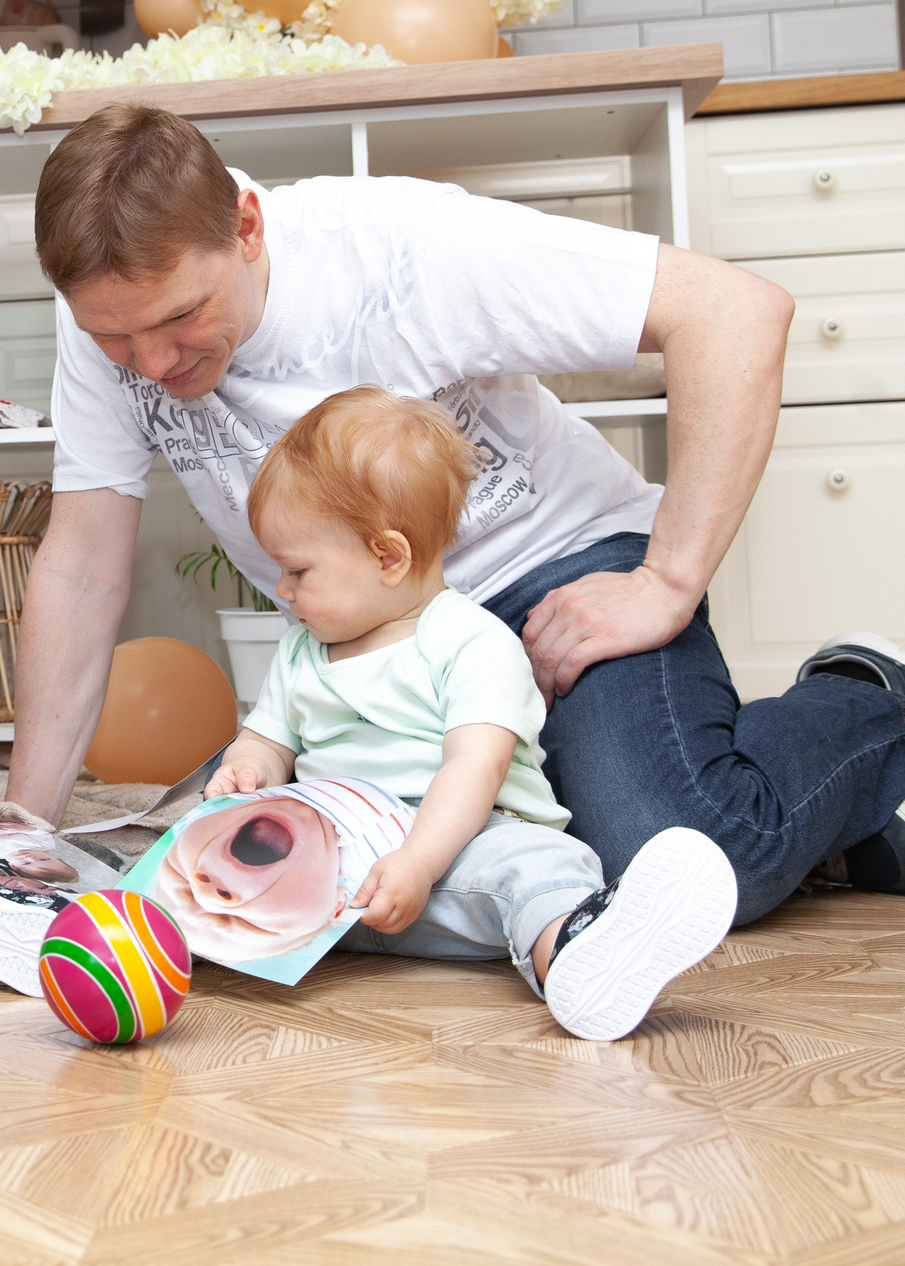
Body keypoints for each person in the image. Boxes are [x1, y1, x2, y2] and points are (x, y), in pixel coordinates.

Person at [1, 103, 905, 923]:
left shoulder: (400, 249)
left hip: (557, 577)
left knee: (680, 849)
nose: (150, 362)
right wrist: (23, 834)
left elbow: (733, 311)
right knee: (263, 877)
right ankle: (840, 819)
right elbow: (84, 562)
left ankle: (877, 715)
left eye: (180, 319)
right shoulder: (111, 315)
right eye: (114, 338)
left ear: (246, 226)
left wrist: (665, 581)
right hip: (372, 638)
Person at [190, 387, 737, 1041]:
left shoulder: (472, 643)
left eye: (297, 570)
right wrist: (248, 769)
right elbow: (268, 741)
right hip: (340, 874)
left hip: (461, 849)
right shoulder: (301, 652)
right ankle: (158, 939)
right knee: (205, 862)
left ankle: (577, 955)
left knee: (536, 869)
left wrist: (418, 862)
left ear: (388, 556)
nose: (282, 589)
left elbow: (474, 769)